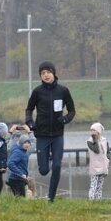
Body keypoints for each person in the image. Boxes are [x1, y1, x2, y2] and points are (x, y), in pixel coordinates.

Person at [25, 61, 75, 202]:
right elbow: (29, 109)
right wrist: (30, 122)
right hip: (42, 135)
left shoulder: (63, 91)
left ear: (53, 73)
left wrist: (65, 119)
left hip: (58, 134)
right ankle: (48, 158)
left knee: (57, 166)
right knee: (44, 170)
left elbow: (72, 111)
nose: (46, 75)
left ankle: (51, 198)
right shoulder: (37, 92)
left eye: (48, 72)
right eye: (42, 73)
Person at [87, 122, 110, 200]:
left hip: (103, 166)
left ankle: (99, 201)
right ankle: (91, 202)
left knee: (100, 186)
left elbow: (108, 151)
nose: (91, 132)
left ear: (98, 131)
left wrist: (108, 159)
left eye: (94, 130)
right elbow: (96, 150)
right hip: (95, 167)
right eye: (91, 130)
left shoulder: (105, 140)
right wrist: (94, 138)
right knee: (93, 185)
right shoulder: (90, 141)